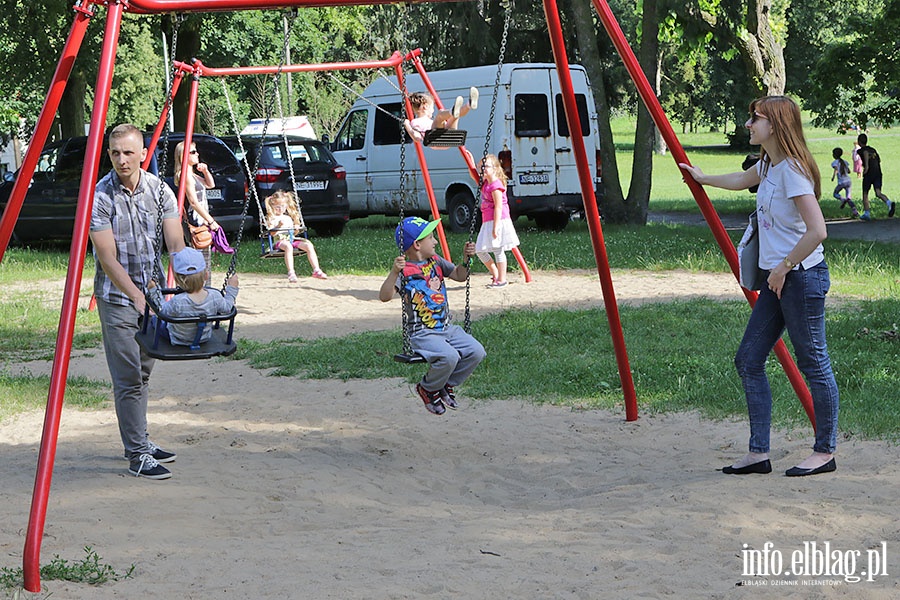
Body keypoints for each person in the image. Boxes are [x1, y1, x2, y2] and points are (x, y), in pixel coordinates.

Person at [679, 96, 840, 478]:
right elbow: (741, 180)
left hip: (801, 279)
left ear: (776, 126)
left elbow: (819, 231)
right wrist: (702, 177)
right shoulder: (769, 164)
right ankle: (758, 453)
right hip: (777, 280)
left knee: (813, 363)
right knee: (748, 360)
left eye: (756, 119)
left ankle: (825, 451)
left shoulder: (794, 172)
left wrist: (784, 267)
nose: (749, 124)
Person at [90, 123, 185, 481]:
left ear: (143, 154)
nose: (121, 159)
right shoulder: (100, 195)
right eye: (115, 153)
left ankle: (140, 439)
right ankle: (137, 454)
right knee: (128, 378)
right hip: (117, 298)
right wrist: (135, 297)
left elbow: (175, 243)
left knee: (143, 374)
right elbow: (107, 259)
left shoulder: (160, 192)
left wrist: (192, 273)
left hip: (152, 294)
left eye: (128, 152)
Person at [379, 217, 486, 415]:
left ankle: (445, 385)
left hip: (446, 328)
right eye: (431, 237)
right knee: (449, 356)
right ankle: (427, 388)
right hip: (423, 333)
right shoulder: (405, 271)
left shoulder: (435, 261)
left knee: (476, 351)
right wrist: (394, 272)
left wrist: (466, 259)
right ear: (417, 244)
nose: (435, 241)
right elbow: (384, 296)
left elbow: (459, 275)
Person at [146, 247, 239, 346]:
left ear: (177, 280)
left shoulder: (178, 301)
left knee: (155, 320)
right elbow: (228, 308)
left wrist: (154, 291)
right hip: (204, 338)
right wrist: (232, 287)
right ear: (206, 275)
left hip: (177, 338)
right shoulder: (214, 296)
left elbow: (162, 310)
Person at [473, 153, 520, 287]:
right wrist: (470, 159)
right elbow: (473, 174)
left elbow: (499, 206)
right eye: (480, 167)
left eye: (485, 166)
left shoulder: (495, 185)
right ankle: (495, 273)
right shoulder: (486, 184)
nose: (482, 169)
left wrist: (496, 227)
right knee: (480, 250)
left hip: (498, 220)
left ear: (495, 168)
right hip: (488, 221)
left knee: (498, 249)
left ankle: (502, 279)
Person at [174, 141, 219, 284]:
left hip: (201, 220)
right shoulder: (184, 175)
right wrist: (211, 221)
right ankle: (202, 288)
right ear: (183, 156)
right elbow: (193, 202)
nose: (197, 154)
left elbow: (210, 185)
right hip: (196, 221)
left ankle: (205, 288)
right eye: (193, 152)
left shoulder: (191, 174)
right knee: (201, 256)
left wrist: (205, 171)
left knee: (204, 257)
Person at [264, 190, 328, 282]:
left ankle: (316, 270)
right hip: (279, 242)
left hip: (291, 239)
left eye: (282, 206)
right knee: (288, 246)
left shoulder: (288, 218)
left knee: (308, 245)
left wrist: (296, 229)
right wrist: (278, 226)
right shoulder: (272, 218)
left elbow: (293, 234)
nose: (280, 209)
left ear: (286, 206)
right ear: (272, 206)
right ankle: (291, 273)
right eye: (277, 207)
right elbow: (271, 234)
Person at [403, 88, 478, 143]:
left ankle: (469, 105)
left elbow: (416, 137)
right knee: (440, 115)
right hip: (435, 139)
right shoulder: (416, 122)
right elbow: (417, 137)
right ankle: (453, 111)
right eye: (432, 108)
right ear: (425, 107)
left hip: (446, 137)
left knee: (455, 116)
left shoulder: (419, 122)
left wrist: (408, 125)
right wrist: (407, 125)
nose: (433, 111)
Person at [856, 133, 895, 220]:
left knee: (865, 193)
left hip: (869, 174)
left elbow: (865, 153)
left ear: (859, 142)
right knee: (878, 193)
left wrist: (866, 166)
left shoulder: (861, 150)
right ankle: (889, 203)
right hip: (877, 172)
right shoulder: (873, 149)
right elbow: (879, 159)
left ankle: (867, 213)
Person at [830, 147, 859, 218]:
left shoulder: (835, 163)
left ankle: (842, 199)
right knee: (849, 198)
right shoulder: (845, 162)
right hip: (848, 181)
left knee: (835, 193)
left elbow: (836, 169)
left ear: (834, 155)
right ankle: (855, 211)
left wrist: (833, 177)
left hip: (841, 182)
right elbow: (849, 171)